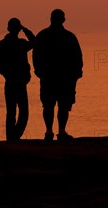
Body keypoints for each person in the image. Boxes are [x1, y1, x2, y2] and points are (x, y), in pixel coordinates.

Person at [33, 9, 83, 141]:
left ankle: (52, 131)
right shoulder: (69, 37)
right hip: (60, 77)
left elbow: (36, 56)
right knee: (60, 105)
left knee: (53, 105)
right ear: (63, 20)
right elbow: (78, 57)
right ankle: (58, 131)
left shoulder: (43, 35)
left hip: (53, 76)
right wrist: (77, 73)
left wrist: (39, 71)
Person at [0, 18, 35, 140]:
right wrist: (25, 29)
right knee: (20, 112)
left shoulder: (6, 44)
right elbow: (34, 42)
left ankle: (12, 137)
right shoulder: (17, 44)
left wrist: (7, 75)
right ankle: (13, 137)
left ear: (8, 29)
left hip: (17, 81)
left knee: (13, 112)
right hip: (16, 81)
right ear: (18, 29)